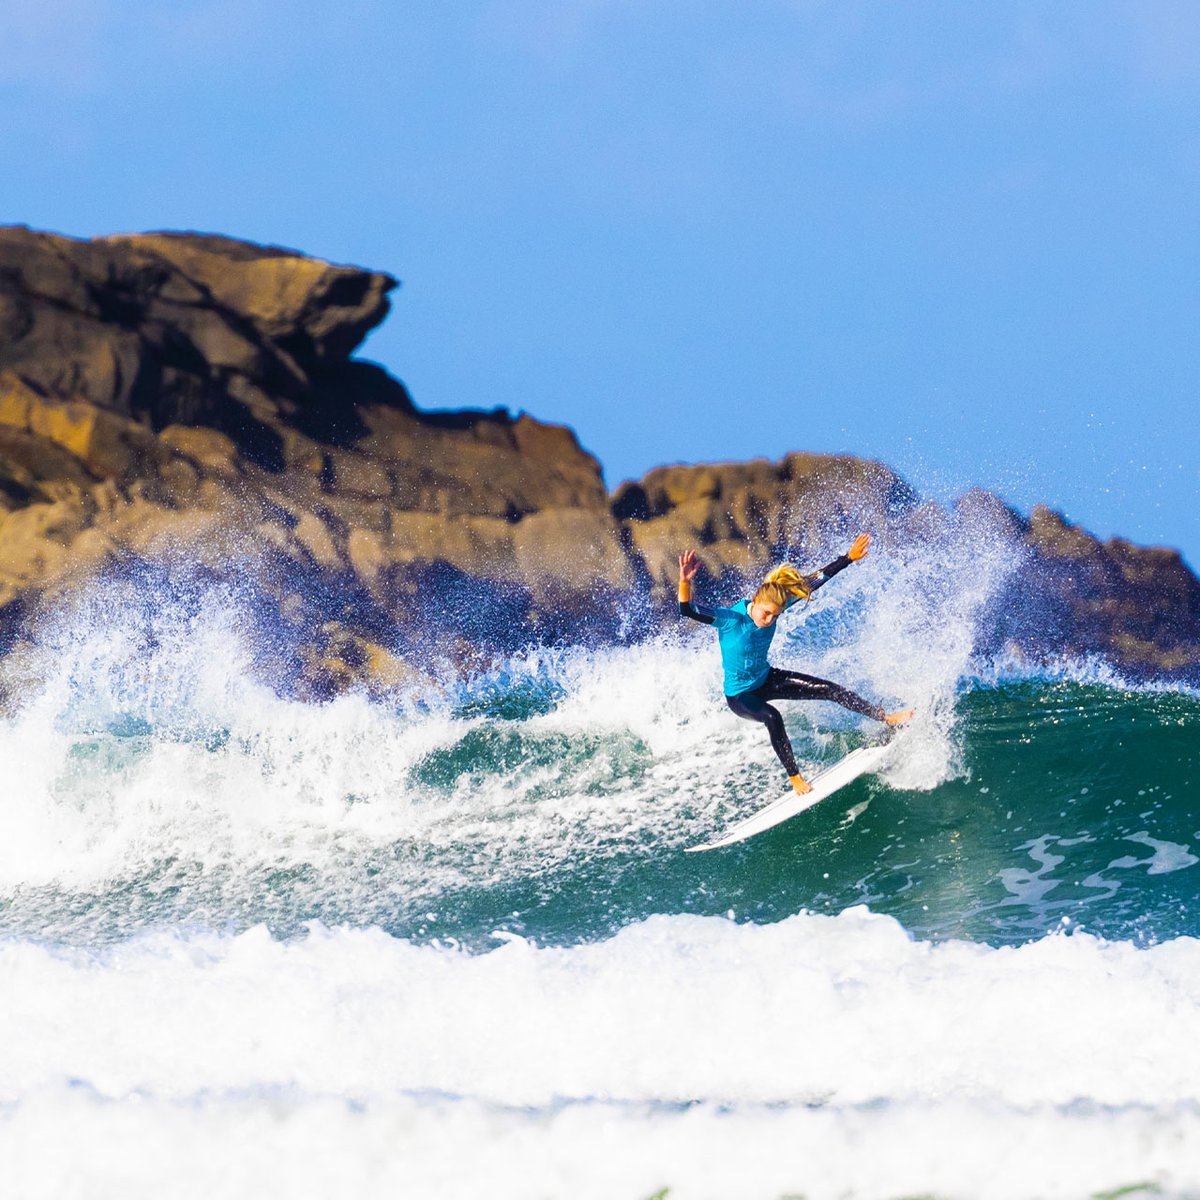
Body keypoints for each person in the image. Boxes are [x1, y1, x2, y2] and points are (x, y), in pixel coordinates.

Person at [678, 534, 912, 796]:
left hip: (766, 679)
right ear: (754, 602)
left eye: (775, 615)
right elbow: (687, 611)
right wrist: (685, 583)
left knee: (829, 689)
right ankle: (795, 778)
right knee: (772, 717)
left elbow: (813, 581)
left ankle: (886, 717)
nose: (768, 619)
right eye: (765, 613)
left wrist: (848, 558)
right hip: (741, 695)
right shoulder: (730, 619)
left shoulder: (777, 604)